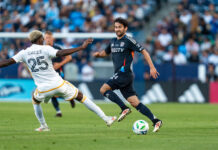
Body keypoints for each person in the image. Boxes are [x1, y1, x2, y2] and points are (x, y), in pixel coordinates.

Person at [0, 30, 116, 131]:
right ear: (41, 39)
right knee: (81, 96)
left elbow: (7, 62)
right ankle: (106, 118)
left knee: (35, 100)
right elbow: (61, 53)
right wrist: (81, 47)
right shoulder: (46, 48)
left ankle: (43, 126)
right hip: (58, 84)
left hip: (43, 88)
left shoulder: (23, 53)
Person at [93, 17, 162, 132]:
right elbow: (105, 53)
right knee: (135, 103)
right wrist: (98, 55)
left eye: (120, 27)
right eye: (115, 27)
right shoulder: (113, 42)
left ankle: (124, 108)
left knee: (103, 89)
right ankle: (156, 121)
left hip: (124, 74)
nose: (117, 29)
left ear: (125, 28)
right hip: (122, 76)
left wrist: (152, 67)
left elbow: (144, 51)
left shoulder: (129, 40)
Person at [44, 31, 75, 117]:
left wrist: (59, 64)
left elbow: (69, 57)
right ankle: (59, 112)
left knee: (58, 91)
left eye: (49, 38)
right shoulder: (42, 49)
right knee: (52, 93)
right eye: (46, 38)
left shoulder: (57, 47)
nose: (48, 40)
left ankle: (70, 97)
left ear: (52, 38)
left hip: (59, 72)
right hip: (49, 74)